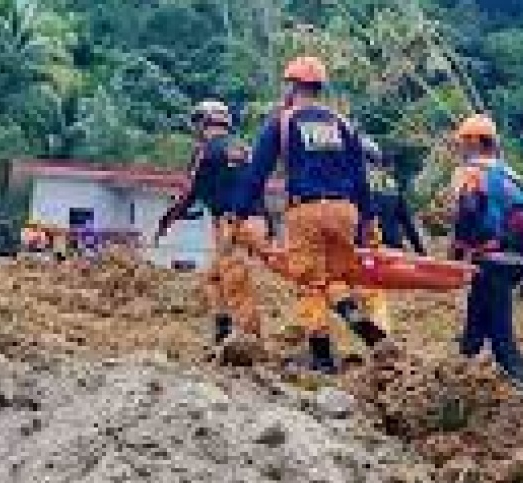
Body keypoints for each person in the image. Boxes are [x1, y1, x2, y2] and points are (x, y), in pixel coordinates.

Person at [243, 56, 390, 375]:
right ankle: (366, 327)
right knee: (335, 279)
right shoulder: (342, 123)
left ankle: (322, 358)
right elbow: (360, 177)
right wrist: (368, 219)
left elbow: (257, 172)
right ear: (319, 88)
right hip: (344, 211)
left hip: (305, 210)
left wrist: (241, 210)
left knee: (310, 283)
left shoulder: (282, 121)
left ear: (292, 86)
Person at [158, 99, 264, 364]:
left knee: (235, 282)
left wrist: (169, 218)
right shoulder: (243, 148)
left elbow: (190, 191)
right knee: (215, 278)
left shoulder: (206, 150)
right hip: (256, 219)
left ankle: (249, 344)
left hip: (231, 222)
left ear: (204, 122)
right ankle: (223, 333)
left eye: (197, 123)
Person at [448, 114, 523, 394]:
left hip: (492, 258)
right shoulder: (512, 175)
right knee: (476, 326)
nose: (460, 149)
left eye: (463, 143)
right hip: (518, 260)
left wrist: (456, 253)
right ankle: (458, 382)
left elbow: (468, 212)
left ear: (475, 142)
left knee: (501, 335)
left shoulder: (472, 172)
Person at [361, 136, 427, 333]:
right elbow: (407, 223)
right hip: (394, 251)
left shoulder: (354, 182)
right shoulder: (391, 183)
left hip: (369, 253)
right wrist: (421, 254)